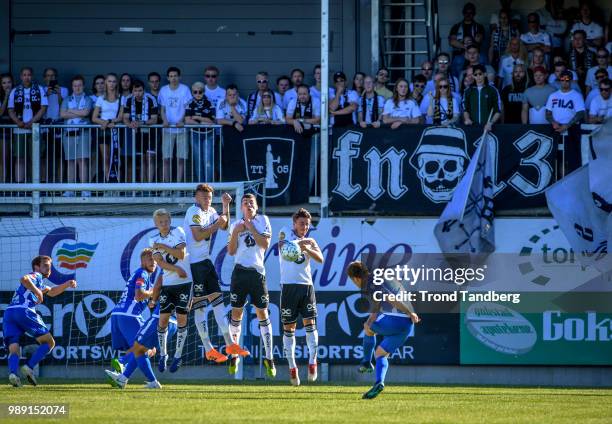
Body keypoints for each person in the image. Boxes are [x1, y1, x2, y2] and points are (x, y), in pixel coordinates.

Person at [346, 261, 420, 400]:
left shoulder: (370, 282)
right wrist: (410, 314)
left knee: (368, 328)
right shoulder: (379, 277)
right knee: (381, 353)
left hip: (396, 318)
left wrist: (410, 313)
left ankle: (366, 362)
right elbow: (377, 306)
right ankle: (379, 382)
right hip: (406, 326)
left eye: (352, 281)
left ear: (356, 278)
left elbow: (390, 298)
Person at [4, 255, 77, 387]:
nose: (49, 269)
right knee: (49, 342)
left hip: (9, 313)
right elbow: (24, 279)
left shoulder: (40, 282)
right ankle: (29, 367)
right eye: (45, 266)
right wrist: (37, 291)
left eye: (50, 267)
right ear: (37, 267)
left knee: (14, 348)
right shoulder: (36, 275)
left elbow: (52, 291)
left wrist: (67, 284)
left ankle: (13, 374)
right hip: (23, 311)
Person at [226, 194, 275, 378]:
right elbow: (231, 251)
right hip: (239, 273)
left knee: (262, 313)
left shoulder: (263, 220)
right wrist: (237, 232)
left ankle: (269, 357)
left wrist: (251, 226)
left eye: (251, 203)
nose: (248, 205)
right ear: (241, 207)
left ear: (256, 206)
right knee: (236, 312)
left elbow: (265, 244)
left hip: (257, 273)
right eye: (245, 203)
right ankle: (233, 354)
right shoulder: (235, 225)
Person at [183, 184, 232, 364]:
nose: (207, 199)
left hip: (206, 262)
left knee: (218, 302)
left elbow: (225, 226)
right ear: (196, 197)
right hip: (194, 264)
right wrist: (216, 225)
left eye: (209, 196)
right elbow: (197, 235)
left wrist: (225, 206)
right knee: (201, 307)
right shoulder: (193, 211)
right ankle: (208, 348)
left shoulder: (211, 210)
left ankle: (230, 343)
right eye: (203, 196)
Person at [278, 208, 323, 386]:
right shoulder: (285, 232)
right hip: (288, 287)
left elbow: (320, 259)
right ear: (294, 223)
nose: (304, 226)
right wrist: (298, 245)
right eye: (301, 223)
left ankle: (313, 361)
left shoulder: (311, 241)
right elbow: (282, 248)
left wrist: (307, 248)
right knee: (288, 327)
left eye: (307, 224)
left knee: (310, 324)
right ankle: (292, 367)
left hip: (306, 287)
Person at [149, 208, 192, 373]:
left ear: (170, 220)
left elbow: (181, 254)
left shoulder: (178, 232)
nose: (164, 224)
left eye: (166, 221)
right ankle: (163, 355)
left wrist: (163, 246)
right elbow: (160, 263)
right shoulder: (152, 240)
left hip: (184, 283)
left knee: (181, 319)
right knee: (163, 320)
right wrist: (176, 269)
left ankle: (178, 355)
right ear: (156, 224)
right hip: (168, 284)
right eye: (160, 222)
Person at [105, 302, 176, 390]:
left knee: (138, 347)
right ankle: (122, 378)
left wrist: (152, 299)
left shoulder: (163, 288)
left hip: (159, 318)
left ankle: (123, 363)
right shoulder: (186, 289)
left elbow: (151, 297)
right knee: (143, 350)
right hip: (174, 323)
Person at [109, 248, 157, 375]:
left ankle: (120, 376)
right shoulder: (143, 273)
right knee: (147, 347)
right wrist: (154, 292)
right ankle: (122, 362)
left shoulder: (142, 275)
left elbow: (143, 298)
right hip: (129, 315)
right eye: (150, 259)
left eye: (155, 260)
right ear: (143, 262)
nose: (153, 262)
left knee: (141, 348)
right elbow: (139, 295)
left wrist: (151, 299)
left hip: (118, 314)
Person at [8, 67, 48, 183]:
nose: (27, 77)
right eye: (24, 75)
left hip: (35, 129)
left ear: (32, 76)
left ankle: (39, 185)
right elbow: (10, 110)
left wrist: (32, 121)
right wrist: (18, 122)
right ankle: (20, 186)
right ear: (21, 76)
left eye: (29, 75)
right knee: (20, 158)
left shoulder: (39, 89)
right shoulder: (15, 91)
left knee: (37, 158)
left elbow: (43, 108)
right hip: (20, 130)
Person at [60, 75, 93, 196]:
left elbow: (86, 113)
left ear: (83, 86)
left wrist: (71, 110)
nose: (77, 88)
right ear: (72, 87)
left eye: (79, 85)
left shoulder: (88, 99)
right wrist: (79, 113)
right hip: (69, 133)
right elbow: (62, 114)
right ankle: (70, 189)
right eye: (75, 85)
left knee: (82, 160)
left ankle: (84, 189)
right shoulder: (67, 99)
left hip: (83, 133)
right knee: (70, 161)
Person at [546, 70, 585, 172]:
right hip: (556, 128)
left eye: (567, 79)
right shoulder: (553, 95)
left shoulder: (576, 95)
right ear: (559, 80)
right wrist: (553, 122)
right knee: (555, 158)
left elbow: (580, 113)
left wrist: (567, 126)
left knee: (572, 158)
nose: (564, 81)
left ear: (571, 81)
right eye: (562, 79)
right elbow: (548, 113)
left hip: (571, 129)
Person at [158, 67, 192, 183]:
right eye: (171, 76)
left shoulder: (185, 89)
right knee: (166, 159)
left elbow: (188, 108)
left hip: (181, 130)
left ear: (179, 77)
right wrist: (165, 120)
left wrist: (182, 121)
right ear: (168, 78)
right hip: (168, 130)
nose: (173, 78)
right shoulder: (163, 90)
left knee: (181, 159)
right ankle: (167, 186)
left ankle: (178, 186)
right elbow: (162, 109)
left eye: (175, 76)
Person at [122, 80, 159, 183]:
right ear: (132, 91)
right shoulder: (128, 99)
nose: (138, 93)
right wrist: (130, 124)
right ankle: (144, 186)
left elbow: (154, 119)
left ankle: (150, 185)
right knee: (142, 160)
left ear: (144, 90)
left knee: (150, 159)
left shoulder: (151, 99)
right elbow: (125, 117)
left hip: (150, 132)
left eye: (140, 90)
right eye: (135, 91)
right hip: (136, 133)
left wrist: (140, 122)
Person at [91, 73, 121, 183]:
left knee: (117, 159)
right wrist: (106, 123)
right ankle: (108, 184)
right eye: (109, 81)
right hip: (103, 130)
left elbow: (120, 117)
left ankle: (117, 185)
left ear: (116, 83)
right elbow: (94, 118)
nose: (111, 84)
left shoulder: (121, 98)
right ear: (106, 83)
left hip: (116, 131)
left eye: (114, 81)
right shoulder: (100, 98)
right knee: (106, 158)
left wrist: (108, 121)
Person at [41, 68, 68, 183]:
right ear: (44, 78)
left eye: (52, 76)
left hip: (59, 126)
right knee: (44, 156)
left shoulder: (64, 90)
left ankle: (60, 183)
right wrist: (46, 94)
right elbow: (39, 106)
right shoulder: (41, 90)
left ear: (56, 77)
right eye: (48, 75)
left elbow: (65, 106)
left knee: (60, 156)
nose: (50, 78)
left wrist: (58, 94)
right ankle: (44, 182)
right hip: (45, 127)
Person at [185, 81, 216, 182]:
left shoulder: (209, 102)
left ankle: (209, 186)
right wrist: (202, 122)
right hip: (195, 135)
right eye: (195, 92)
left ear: (204, 91)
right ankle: (201, 186)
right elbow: (187, 120)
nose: (198, 94)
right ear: (192, 92)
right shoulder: (190, 103)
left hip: (209, 134)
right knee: (198, 161)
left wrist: (197, 117)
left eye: (200, 92)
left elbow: (212, 121)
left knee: (208, 161)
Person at [462, 64, 502, 130]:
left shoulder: (492, 90)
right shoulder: (468, 91)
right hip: (472, 127)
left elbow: (498, 110)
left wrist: (490, 123)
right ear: (473, 76)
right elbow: (465, 109)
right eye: (475, 75)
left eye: (480, 74)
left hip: (488, 128)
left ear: (485, 74)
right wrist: (467, 119)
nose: (478, 77)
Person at [0, 73, 13, 183]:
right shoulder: (1, 96)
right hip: (4, 131)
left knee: (19, 158)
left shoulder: (17, 93)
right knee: (4, 159)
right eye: (4, 83)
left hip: (18, 129)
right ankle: (3, 184)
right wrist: (6, 97)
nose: (7, 85)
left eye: (9, 82)